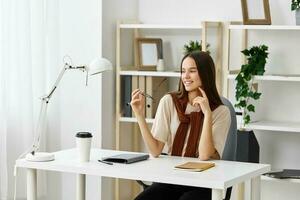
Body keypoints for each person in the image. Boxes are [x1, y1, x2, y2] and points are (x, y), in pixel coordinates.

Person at [131, 51, 231, 200]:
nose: (186, 76)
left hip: (204, 182)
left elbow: (204, 155)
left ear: (205, 74)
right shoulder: (169, 101)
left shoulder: (221, 112)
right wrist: (139, 115)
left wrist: (207, 114)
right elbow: (155, 150)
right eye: (183, 71)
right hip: (172, 178)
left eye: (192, 71)